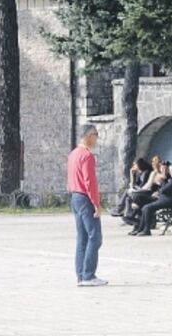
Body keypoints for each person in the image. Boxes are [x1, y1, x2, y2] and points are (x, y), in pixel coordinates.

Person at [67, 123, 105, 287]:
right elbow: (90, 181)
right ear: (89, 136)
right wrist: (96, 204)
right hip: (85, 198)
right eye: (96, 135)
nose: (97, 139)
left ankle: (81, 275)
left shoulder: (73, 154)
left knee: (82, 238)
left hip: (75, 196)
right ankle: (88, 275)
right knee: (95, 237)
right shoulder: (87, 156)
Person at [132, 163, 172, 236]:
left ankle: (146, 230)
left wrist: (161, 184)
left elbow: (164, 190)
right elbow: (165, 189)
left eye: (171, 170)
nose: (170, 172)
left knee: (147, 207)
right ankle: (140, 229)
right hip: (169, 200)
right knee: (144, 205)